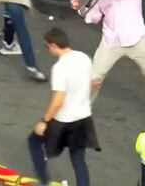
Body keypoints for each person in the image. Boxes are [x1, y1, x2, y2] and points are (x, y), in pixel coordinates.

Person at [28, 28, 100, 186]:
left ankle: (44, 180)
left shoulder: (59, 68)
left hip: (63, 120)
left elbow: (58, 100)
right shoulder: (84, 58)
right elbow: (94, 83)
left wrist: (44, 121)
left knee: (34, 141)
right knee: (78, 159)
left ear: (54, 45)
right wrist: (81, 99)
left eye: (47, 47)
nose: (48, 50)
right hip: (83, 117)